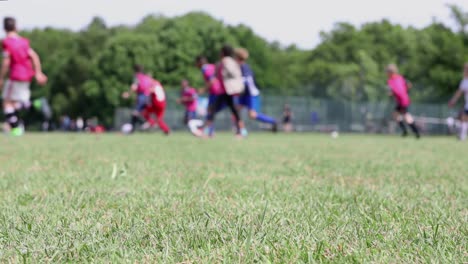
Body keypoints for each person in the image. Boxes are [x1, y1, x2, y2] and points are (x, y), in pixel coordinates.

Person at [0, 17, 48, 136]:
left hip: (15, 75)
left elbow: (6, 62)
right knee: (15, 104)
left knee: (6, 103)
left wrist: (1, 77)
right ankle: (35, 104)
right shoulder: (24, 41)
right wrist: (38, 72)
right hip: (27, 75)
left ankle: (16, 128)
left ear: (4, 28)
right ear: (16, 27)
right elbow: (34, 56)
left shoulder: (6, 42)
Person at [234, 48, 277, 132]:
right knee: (235, 110)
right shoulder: (238, 67)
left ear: (237, 57)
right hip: (243, 94)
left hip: (251, 94)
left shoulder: (245, 67)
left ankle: (273, 121)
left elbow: (247, 81)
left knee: (252, 115)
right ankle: (241, 130)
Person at [386, 64, 420, 138]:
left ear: (390, 72)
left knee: (406, 115)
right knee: (396, 114)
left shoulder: (390, 81)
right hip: (404, 99)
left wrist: (392, 94)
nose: (386, 73)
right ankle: (407, 131)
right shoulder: (401, 78)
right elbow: (409, 85)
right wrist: (405, 92)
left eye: (387, 72)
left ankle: (414, 131)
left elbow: (390, 92)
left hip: (401, 100)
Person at [195, 55, 223, 137]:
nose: (196, 65)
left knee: (210, 111)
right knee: (210, 111)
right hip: (220, 90)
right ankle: (210, 131)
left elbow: (212, 80)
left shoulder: (205, 69)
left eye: (196, 63)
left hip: (215, 92)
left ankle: (208, 131)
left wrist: (203, 89)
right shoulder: (212, 66)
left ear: (200, 62)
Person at [122, 64, 152, 132]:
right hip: (147, 97)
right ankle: (131, 130)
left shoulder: (137, 77)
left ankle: (144, 123)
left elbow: (134, 86)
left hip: (142, 97)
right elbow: (150, 88)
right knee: (135, 114)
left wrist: (128, 94)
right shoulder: (146, 77)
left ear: (134, 70)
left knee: (135, 113)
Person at [448, 63, 468, 141]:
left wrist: (453, 101)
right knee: (464, 118)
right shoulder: (464, 81)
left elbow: (458, 93)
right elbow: (458, 93)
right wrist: (453, 101)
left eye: (465, 70)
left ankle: (462, 136)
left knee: (464, 118)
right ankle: (462, 136)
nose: (464, 71)